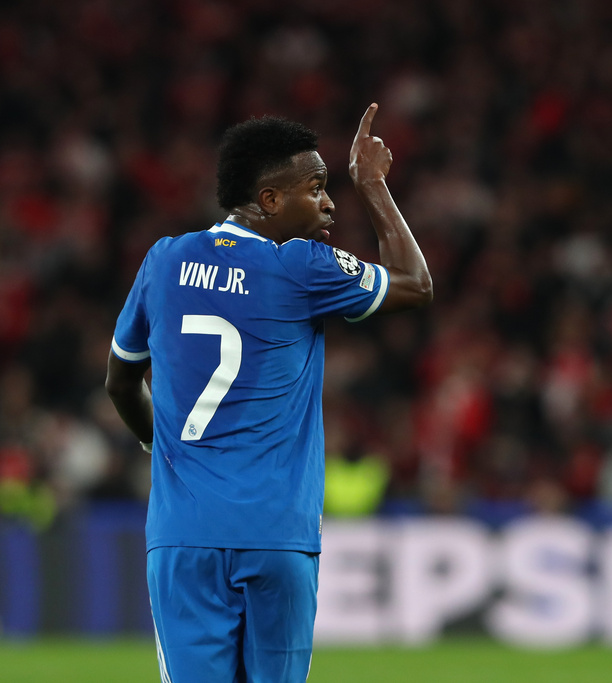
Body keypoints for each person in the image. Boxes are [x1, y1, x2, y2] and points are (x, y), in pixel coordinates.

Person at [105, 104, 432, 681]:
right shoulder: (301, 265)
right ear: (270, 200)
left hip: (184, 538)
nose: (330, 203)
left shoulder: (164, 261)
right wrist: (373, 185)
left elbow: (120, 379)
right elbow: (415, 284)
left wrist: (164, 447)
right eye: (317, 188)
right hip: (278, 537)